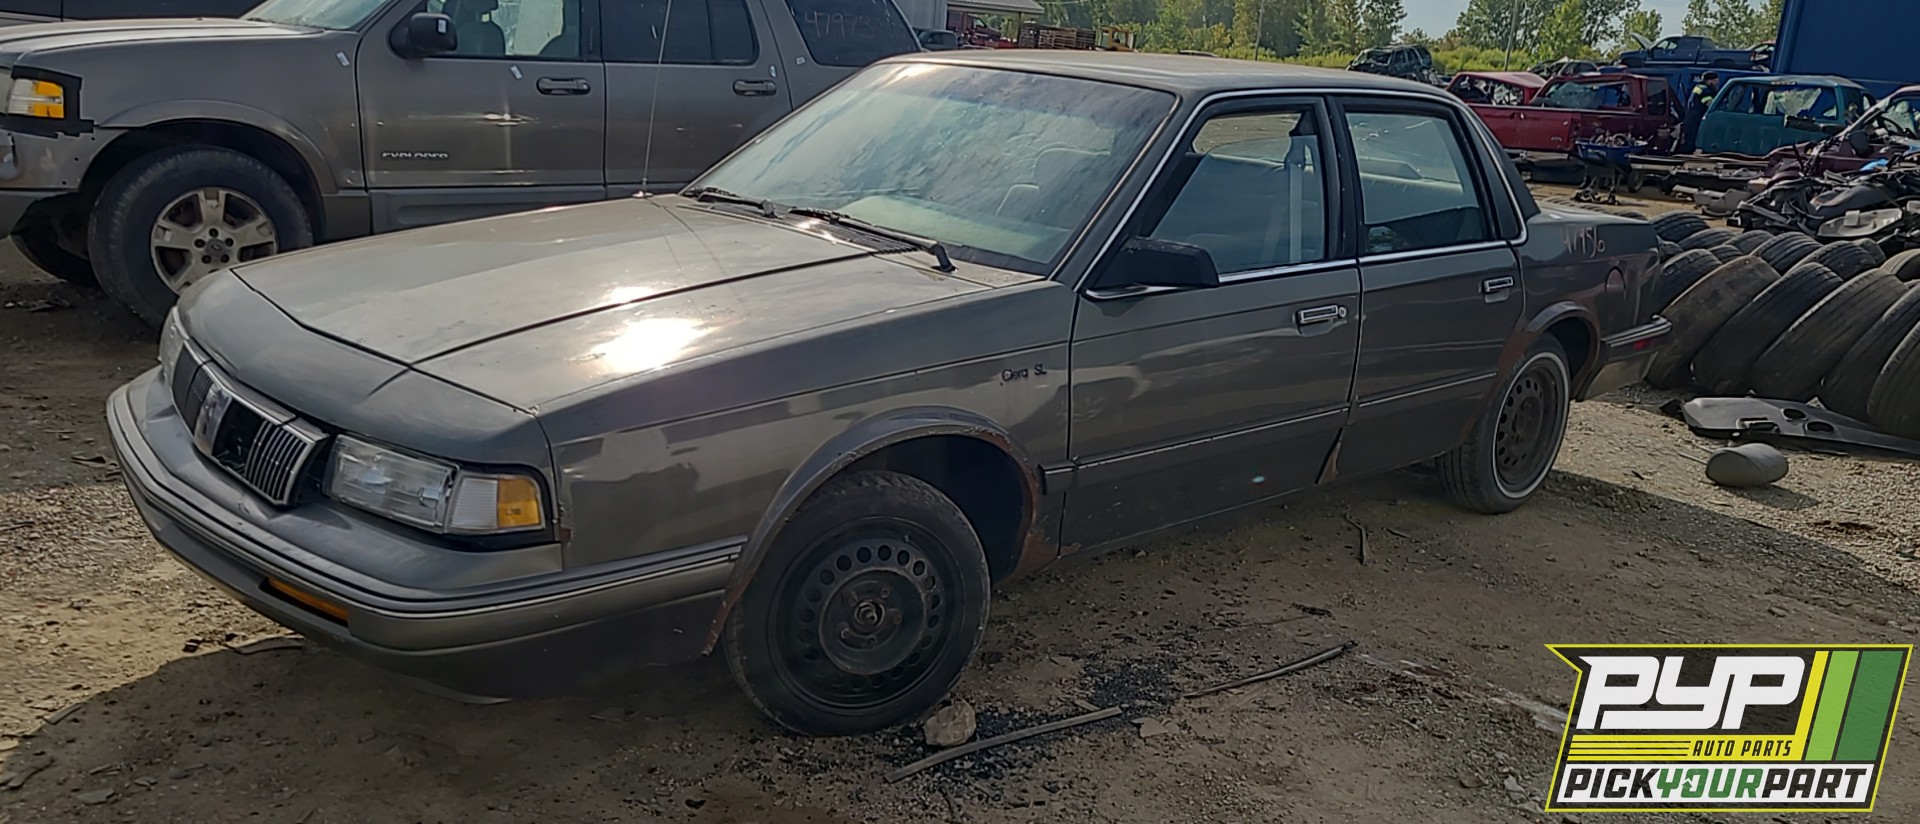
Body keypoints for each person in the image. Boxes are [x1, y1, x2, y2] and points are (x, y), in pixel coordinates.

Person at [1684, 71, 1723, 152]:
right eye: (1715, 81)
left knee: (1690, 139)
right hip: (1697, 118)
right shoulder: (1705, 90)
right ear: (1709, 81)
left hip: (1692, 117)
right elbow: (1709, 104)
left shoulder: (1698, 87)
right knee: (1692, 139)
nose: (1717, 83)